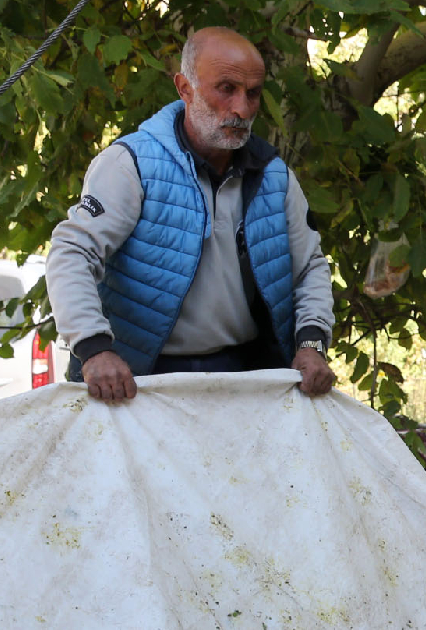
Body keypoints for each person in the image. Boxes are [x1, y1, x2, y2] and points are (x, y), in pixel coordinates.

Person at [46, 27, 336, 403]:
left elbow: (309, 267)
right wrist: (93, 347)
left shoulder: (273, 175)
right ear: (184, 88)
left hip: (246, 379)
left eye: (252, 93)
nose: (242, 109)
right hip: (137, 380)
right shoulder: (130, 164)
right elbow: (72, 252)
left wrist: (312, 342)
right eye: (226, 89)